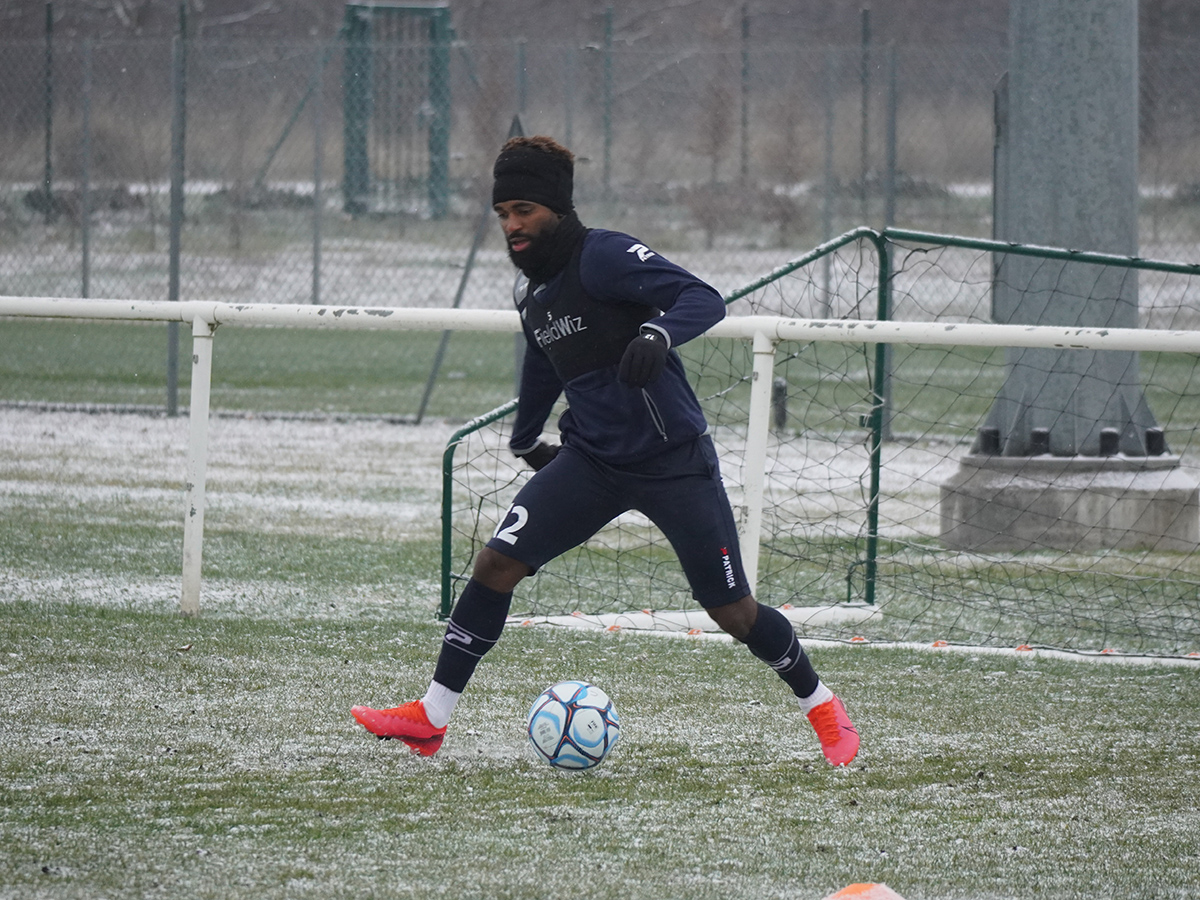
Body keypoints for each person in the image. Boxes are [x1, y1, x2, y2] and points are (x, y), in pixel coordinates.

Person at [351, 136, 859, 766]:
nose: (511, 226)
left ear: (556, 208)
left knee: (733, 610)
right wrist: (523, 436)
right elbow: (543, 361)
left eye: (523, 212)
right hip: (591, 462)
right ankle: (430, 719)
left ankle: (822, 706)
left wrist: (657, 330)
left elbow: (703, 297)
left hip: (674, 461)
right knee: (495, 567)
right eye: (502, 213)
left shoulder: (607, 255)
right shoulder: (532, 292)